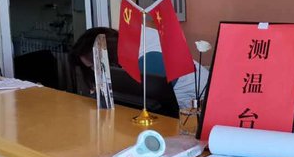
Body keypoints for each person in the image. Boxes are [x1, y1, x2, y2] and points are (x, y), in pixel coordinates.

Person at [69, 26, 209, 110]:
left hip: (200, 109)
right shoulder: (129, 41)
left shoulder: (149, 60)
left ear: (108, 55)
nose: (95, 72)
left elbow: (153, 106)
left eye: (95, 67)